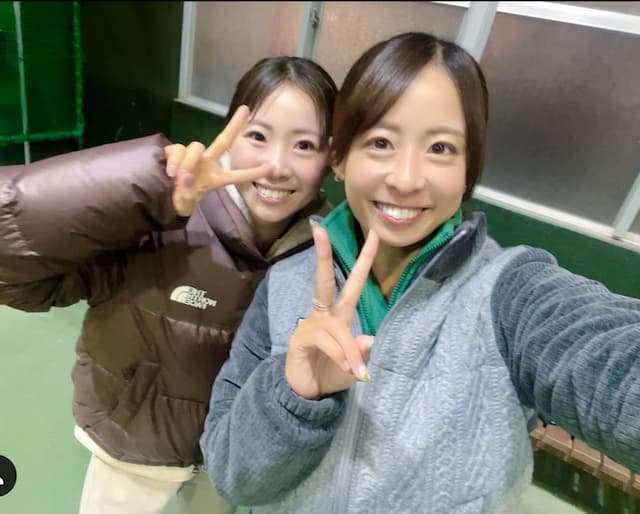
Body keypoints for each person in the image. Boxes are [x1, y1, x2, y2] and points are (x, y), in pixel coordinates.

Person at [200, 32, 640, 513]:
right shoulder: (285, 283)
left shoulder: (510, 295)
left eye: (441, 148)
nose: (407, 179)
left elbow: (612, 363)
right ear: (339, 158)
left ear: (469, 169)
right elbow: (231, 476)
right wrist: (293, 396)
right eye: (381, 142)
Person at [0, 56, 337, 514]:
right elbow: (14, 269)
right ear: (228, 134)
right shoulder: (159, 219)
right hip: (134, 449)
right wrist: (144, 185)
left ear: (331, 158)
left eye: (304, 145)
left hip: (226, 464)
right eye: (258, 136)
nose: (276, 166)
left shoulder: (325, 255)